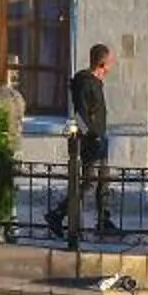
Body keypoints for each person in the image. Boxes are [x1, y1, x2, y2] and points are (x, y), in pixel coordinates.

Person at [47, 43, 124, 239]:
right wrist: (92, 136)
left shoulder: (96, 83)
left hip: (100, 138)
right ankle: (58, 215)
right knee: (88, 183)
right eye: (109, 63)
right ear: (101, 63)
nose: (110, 67)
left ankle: (103, 221)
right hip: (92, 142)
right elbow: (80, 114)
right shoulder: (84, 83)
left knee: (103, 181)